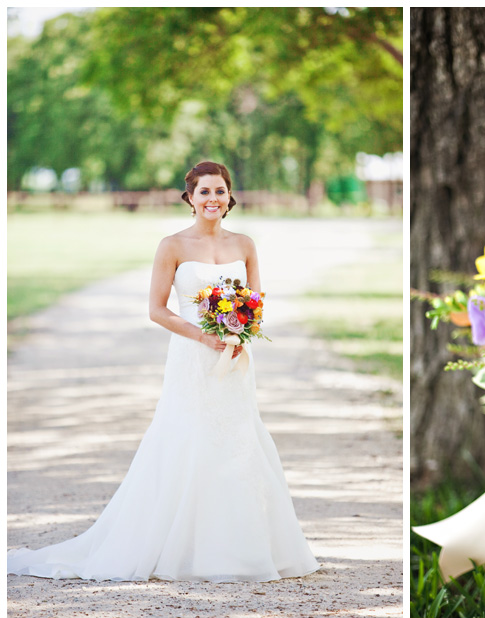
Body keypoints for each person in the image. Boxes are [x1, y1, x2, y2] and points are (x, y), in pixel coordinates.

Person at [7, 161, 319, 582]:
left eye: (220, 192)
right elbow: (156, 310)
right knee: (187, 439)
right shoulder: (172, 245)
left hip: (235, 359)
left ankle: (241, 549)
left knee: (238, 440)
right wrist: (202, 335)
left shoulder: (245, 244)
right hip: (192, 357)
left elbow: (256, 303)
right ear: (190, 197)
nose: (212, 199)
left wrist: (241, 334)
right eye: (204, 192)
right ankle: (178, 548)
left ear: (230, 198)